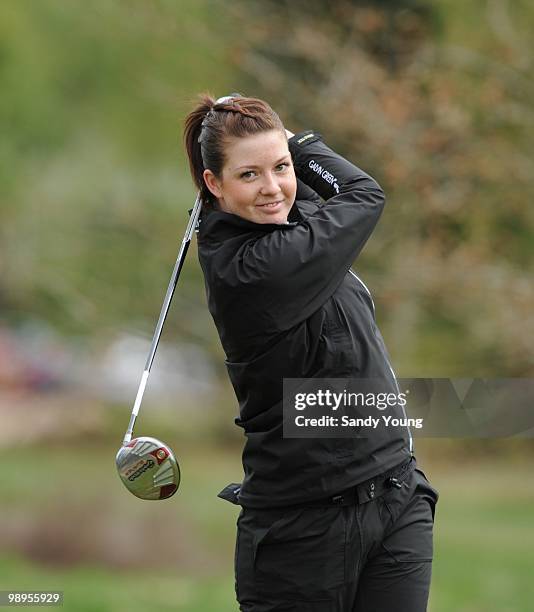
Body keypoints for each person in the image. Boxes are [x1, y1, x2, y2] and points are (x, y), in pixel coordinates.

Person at [183, 93, 439, 612]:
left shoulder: (295, 228)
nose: (273, 187)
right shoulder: (251, 270)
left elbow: (330, 196)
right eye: (249, 175)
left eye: (280, 168)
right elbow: (362, 193)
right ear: (214, 184)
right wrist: (298, 143)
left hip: (395, 498)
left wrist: (275, 144)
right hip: (302, 529)